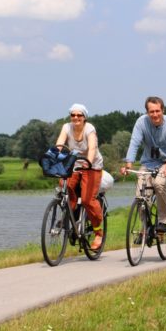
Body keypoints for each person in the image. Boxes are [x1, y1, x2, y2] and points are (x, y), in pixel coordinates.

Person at [120, 96, 166, 233]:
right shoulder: (141, 122)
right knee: (140, 195)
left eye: (157, 111)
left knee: (159, 183)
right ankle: (145, 227)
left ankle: (164, 221)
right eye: (151, 112)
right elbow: (134, 142)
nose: (155, 115)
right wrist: (128, 164)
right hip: (148, 162)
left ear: (163, 110)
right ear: (147, 112)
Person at [55, 103, 105, 250]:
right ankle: (70, 217)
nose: (76, 118)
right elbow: (59, 144)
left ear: (84, 118)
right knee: (66, 186)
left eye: (79, 115)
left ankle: (98, 232)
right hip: (74, 164)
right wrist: (53, 156)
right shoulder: (66, 127)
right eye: (73, 115)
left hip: (92, 165)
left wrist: (89, 161)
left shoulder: (89, 129)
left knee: (88, 199)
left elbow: (92, 148)